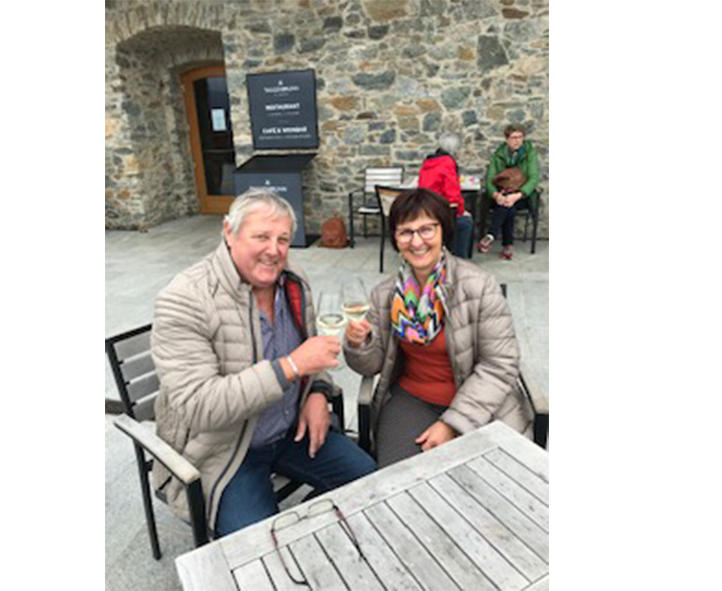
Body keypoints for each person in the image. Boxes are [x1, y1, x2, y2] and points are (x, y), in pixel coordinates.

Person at [151, 188, 376, 538]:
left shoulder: (292, 281)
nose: (274, 250)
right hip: (225, 451)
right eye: (261, 236)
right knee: (260, 546)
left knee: (371, 483)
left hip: (291, 430)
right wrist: (291, 367)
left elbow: (309, 354)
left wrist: (317, 391)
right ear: (229, 232)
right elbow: (198, 407)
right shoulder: (185, 299)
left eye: (283, 239)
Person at [344, 188, 534, 468]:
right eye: (405, 232)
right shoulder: (386, 293)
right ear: (395, 238)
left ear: (443, 231)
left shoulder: (479, 286)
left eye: (426, 229)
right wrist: (359, 343)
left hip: (482, 404)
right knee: (399, 480)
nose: (416, 241)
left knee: (481, 485)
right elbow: (370, 365)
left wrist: (452, 424)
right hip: (412, 399)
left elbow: (500, 363)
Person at [477, 124, 540, 260]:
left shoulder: (529, 153)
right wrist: (496, 195)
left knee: (508, 205)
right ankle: (507, 245)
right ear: (506, 139)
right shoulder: (498, 155)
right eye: (513, 137)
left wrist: (518, 195)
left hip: (523, 195)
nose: (517, 141)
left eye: (520, 137)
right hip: (502, 193)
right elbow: (490, 179)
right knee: (508, 206)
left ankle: (491, 235)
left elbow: (533, 178)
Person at [417, 131, 474, 258]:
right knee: (466, 222)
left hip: (425, 210)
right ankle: (459, 260)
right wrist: (462, 211)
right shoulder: (448, 163)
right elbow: (453, 194)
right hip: (440, 211)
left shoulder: (428, 162)